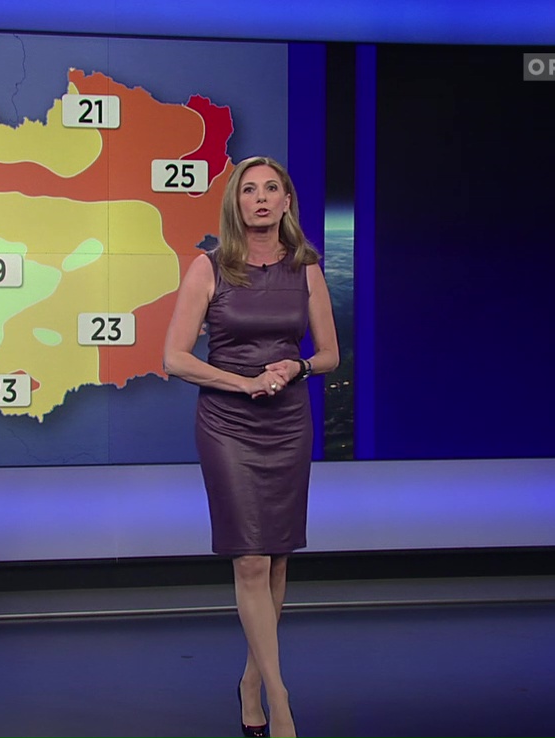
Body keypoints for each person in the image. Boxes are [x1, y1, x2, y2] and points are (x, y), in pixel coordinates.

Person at [163, 156, 338, 738]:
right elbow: (175, 358)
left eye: (271, 189)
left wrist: (297, 366)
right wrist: (242, 383)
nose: (260, 198)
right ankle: (281, 700)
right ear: (235, 203)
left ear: (286, 201)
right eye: (248, 190)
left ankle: (251, 681)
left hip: (287, 420)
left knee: (278, 556)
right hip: (228, 422)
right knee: (252, 558)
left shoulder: (306, 268)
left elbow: (329, 355)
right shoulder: (209, 267)